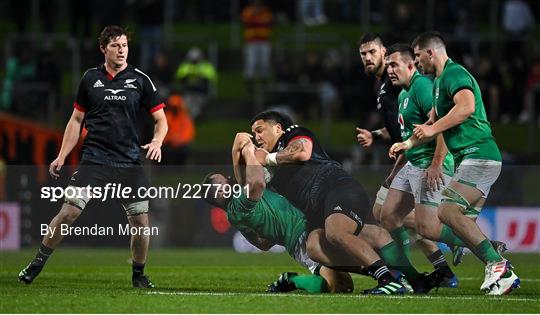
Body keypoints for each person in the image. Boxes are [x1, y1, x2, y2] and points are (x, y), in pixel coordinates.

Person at [18, 25, 168, 288]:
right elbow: (76, 120)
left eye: (125, 46)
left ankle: (138, 275)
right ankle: (35, 265)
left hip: (129, 160)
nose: (121, 50)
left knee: (141, 223)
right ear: (103, 49)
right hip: (95, 158)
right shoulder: (90, 79)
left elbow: (161, 120)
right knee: (68, 213)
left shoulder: (140, 80)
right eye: (115, 46)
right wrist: (62, 155)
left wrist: (157, 141)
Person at [249, 110, 442, 294]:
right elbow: (251, 184)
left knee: (337, 232)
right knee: (315, 247)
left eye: (260, 130)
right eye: (253, 133)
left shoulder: (293, 133)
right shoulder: (269, 166)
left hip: (337, 188)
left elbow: (302, 153)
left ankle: (388, 280)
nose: (256, 137)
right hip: (318, 209)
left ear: (278, 128)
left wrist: (268, 157)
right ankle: (415, 280)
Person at [391, 31, 520, 295]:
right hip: (470, 158)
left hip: (480, 154)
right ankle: (495, 262)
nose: (416, 63)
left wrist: (434, 131)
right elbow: (428, 126)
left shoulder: (454, 74)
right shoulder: (439, 83)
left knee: (447, 211)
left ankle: (498, 264)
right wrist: (407, 144)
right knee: (458, 226)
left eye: (417, 57)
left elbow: (466, 107)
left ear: (431, 52)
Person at [355, 33, 458, 286]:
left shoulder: (409, 85)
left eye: (373, 53)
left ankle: (459, 236)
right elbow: (405, 126)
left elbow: (435, 123)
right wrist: (377, 135)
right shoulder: (394, 90)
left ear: (385, 52)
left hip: (421, 159)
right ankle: (436, 268)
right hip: (409, 156)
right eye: (363, 54)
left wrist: (434, 161)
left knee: (395, 216)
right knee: (390, 215)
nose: (368, 58)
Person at [202, 135, 353, 294]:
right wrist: (246, 151)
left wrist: (273, 226)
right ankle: (291, 280)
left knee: (346, 282)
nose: (229, 177)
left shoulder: (236, 209)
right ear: (220, 192)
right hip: (300, 238)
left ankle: (380, 273)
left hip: (305, 228)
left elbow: (263, 244)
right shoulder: (238, 204)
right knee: (338, 286)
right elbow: (257, 182)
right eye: (224, 180)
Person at [174, 47, 217, 119]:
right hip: (188, 92)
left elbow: (212, 79)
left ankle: (191, 121)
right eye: (193, 59)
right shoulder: (185, 66)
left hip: (201, 93)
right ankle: (187, 121)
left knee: (196, 108)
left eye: (196, 59)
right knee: (185, 104)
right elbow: (179, 78)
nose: (194, 61)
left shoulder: (206, 67)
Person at [241, 0, 272, 94]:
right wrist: (256, 18)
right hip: (251, 42)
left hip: (264, 41)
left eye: (258, 3)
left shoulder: (266, 11)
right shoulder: (247, 11)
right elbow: (246, 21)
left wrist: (255, 20)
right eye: (255, 3)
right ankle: (249, 85)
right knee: (251, 63)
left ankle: (264, 83)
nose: (257, 5)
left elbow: (267, 21)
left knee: (264, 62)